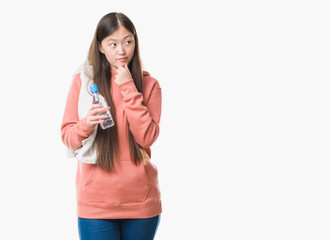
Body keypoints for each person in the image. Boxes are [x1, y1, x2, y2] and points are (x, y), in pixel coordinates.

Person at [61, 12, 162, 240]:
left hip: (141, 202)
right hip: (95, 202)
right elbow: (67, 136)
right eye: (113, 43)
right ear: (100, 47)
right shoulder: (83, 83)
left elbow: (146, 138)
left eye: (128, 42)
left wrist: (127, 86)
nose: (121, 51)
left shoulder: (149, 85)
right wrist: (86, 124)